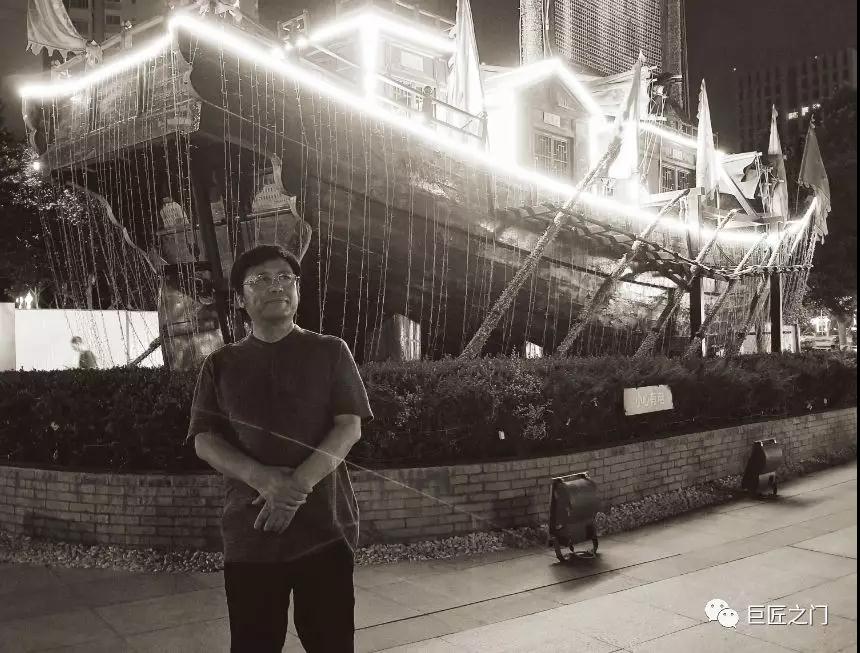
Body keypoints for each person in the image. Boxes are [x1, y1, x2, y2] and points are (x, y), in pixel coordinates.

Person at [187, 244, 372, 653]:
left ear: (298, 290)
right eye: (261, 280)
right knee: (254, 644)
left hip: (325, 530)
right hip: (250, 537)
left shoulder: (330, 351)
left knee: (332, 644)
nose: (276, 286)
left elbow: (349, 427)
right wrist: (264, 480)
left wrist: (294, 489)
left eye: (285, 277)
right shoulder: (220, 365)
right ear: (240, 299)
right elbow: (204, 439)